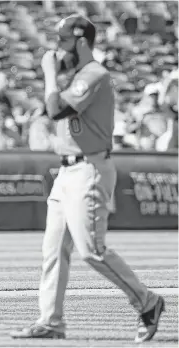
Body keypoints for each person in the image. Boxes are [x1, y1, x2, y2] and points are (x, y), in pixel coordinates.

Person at [10, 14, 165, 343]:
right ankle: (51, 321)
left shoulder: (95, 73)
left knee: (91, 250)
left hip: (89, 169)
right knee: (53, 250)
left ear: (81, 41)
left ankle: (147, 302)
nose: (57, 49)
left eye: (63, 41)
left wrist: (49, 74)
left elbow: (56, 111)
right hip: (67, 171)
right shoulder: (78, 74)